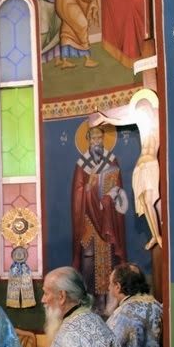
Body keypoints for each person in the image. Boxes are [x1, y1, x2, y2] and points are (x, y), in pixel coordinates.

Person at [72, 125, 127, 315]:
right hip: (88, 222)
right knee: (88, 261)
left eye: (99, 138)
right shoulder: (82, 164)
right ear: (88, 141)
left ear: (104, 140)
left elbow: (118, 188)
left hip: (107, 220)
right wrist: (89, 189)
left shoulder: (111, 161)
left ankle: (108, 303)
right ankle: (91, 302)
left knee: (109, 260)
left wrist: (109, 196)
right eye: (93, 138)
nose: (97, 142)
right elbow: (78, 192)